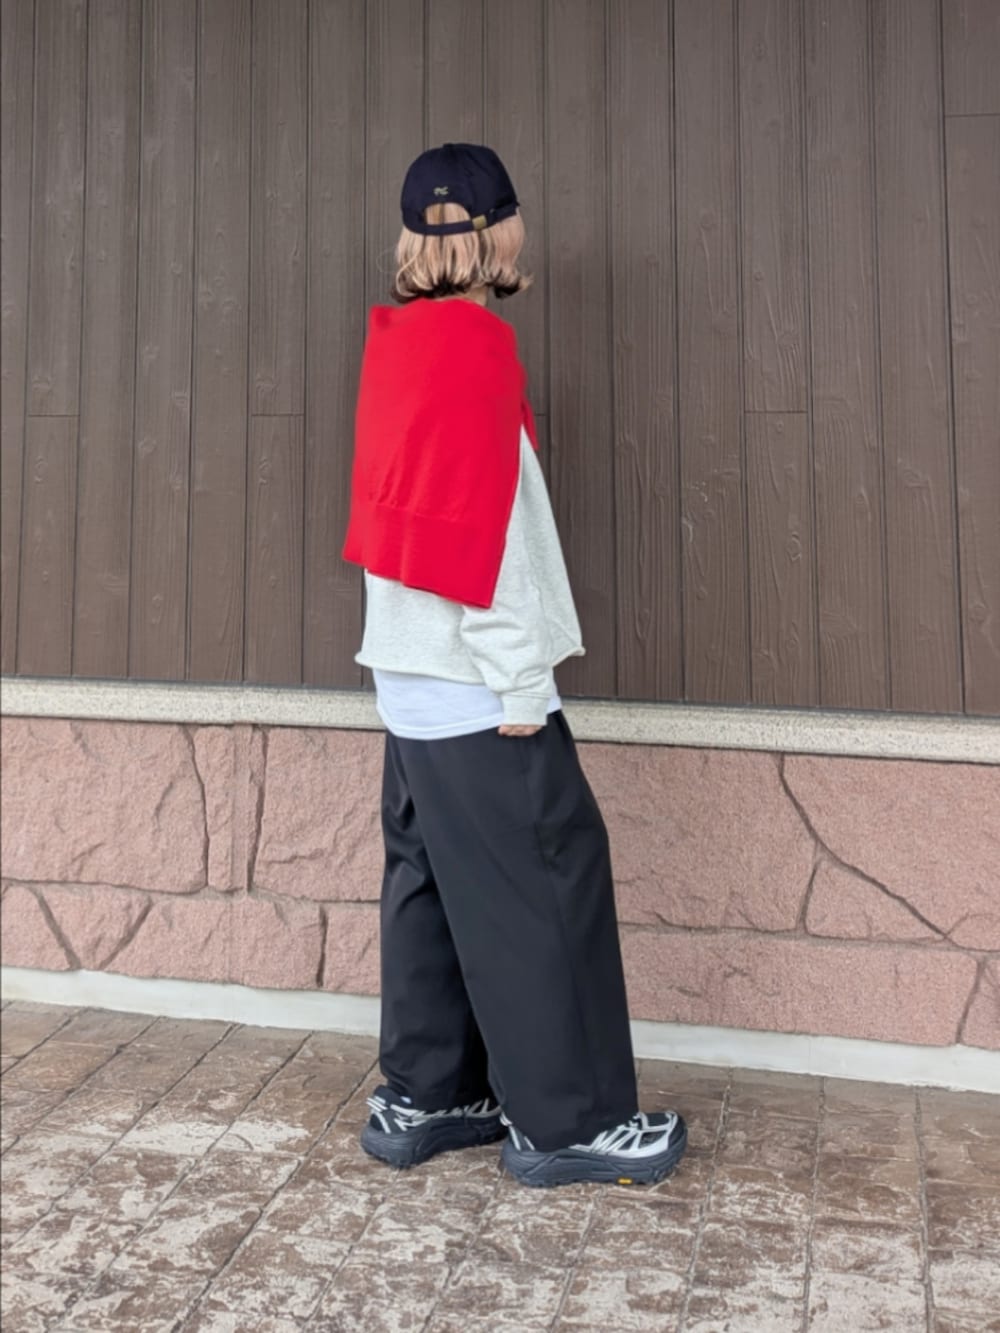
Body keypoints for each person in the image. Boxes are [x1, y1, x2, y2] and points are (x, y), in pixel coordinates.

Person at [342, 143, 687, 1188]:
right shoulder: (474, 348)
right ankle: (570, 1121)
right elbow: (479, 526)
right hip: (474, 679)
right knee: (549, 876)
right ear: (498, 232)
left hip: (410, 674)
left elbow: (412, 512)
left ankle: (429, 1094)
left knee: (433, 886)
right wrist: (521, 681)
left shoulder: (398, 343)